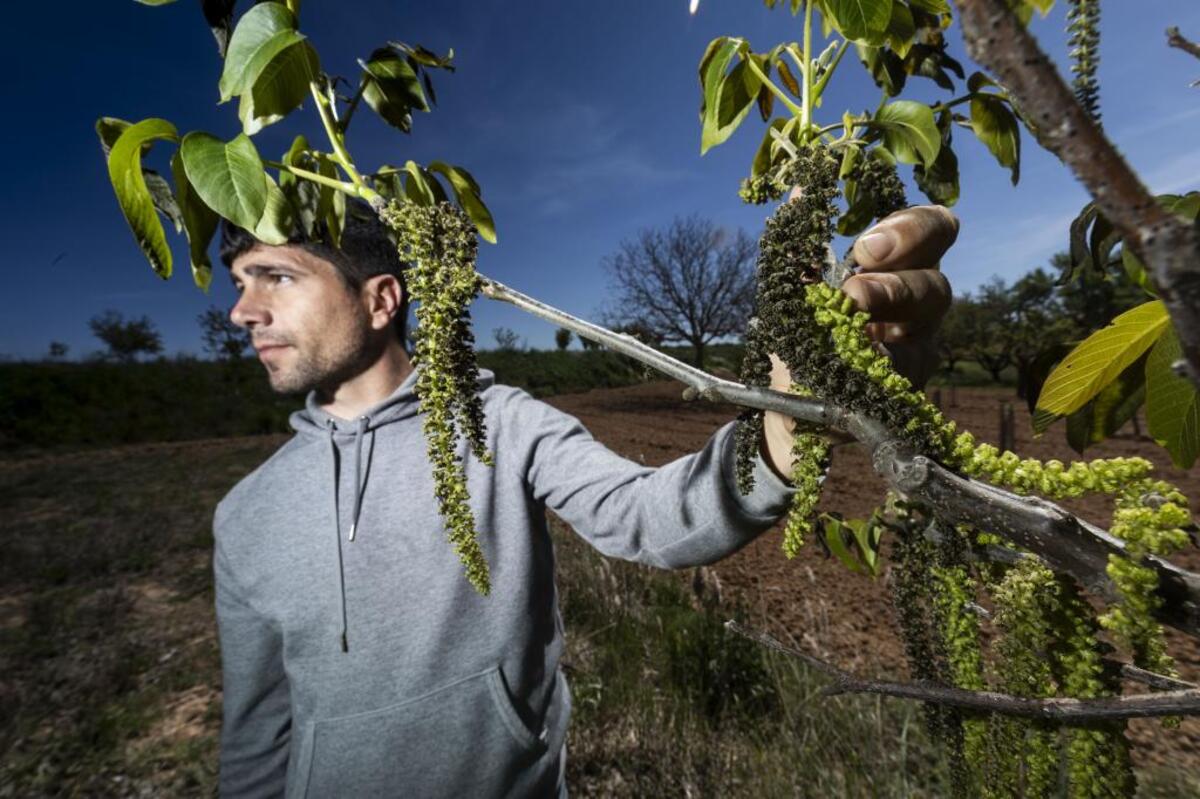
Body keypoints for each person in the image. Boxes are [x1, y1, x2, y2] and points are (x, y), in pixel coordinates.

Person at [213, 199, 956, 798]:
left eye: (274, 276)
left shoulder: (499, 421)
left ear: (381, 299)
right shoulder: (245, 514)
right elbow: (256, 738)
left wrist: (784, 430)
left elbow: (645, 515)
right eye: (238, 281)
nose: (242, 310)